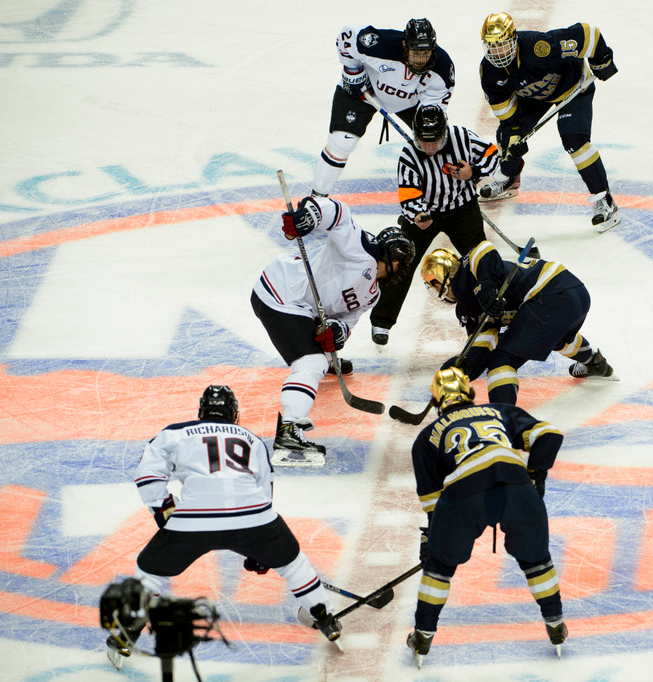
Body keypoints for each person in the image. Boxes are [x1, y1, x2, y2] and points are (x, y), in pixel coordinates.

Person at [105, 385, 342, 668]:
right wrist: (260, 550)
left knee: (149, 572)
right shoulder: (252, 439)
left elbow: (147, 478)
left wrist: (167, 514)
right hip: (255, 520)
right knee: (294, 565)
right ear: (234, 414)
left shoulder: (173, 433)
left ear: (201, 411)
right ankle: (324, 615)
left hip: (193, 521)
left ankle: (127, 633)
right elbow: (264, 494)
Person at [406, 367, 567, 668]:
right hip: (515, 483)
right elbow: (550, 435)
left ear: (437, 400)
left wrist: (433, 540)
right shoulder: (500, 411)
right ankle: (556, 624)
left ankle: (423, 635)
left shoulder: (426, 437)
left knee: (440, 567)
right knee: (536, 561)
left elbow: (432, 503)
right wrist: (536, 473)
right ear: (470, 393)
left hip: (463, 494)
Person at [251, 195, 415, 465]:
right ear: (392, 254)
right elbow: (338, 212)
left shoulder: (373, 294)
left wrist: (338, 332)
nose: (401, 269)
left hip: (302, 307)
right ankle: (289, 429)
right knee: (311, 362)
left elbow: (348, 320)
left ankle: (322, 360)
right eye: (401, 262)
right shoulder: (360, 248)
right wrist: (310, 216)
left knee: (322, 352)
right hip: (281, 294)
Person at [419, 240, 615, 405]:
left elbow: (483, 248)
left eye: (433, 284)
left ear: (440, 279)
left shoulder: (464, 275)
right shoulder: (466, 307)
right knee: (559, 338)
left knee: (501, 362)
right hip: (574, 293)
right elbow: (483, 340)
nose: (436, 292)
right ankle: (596, 363)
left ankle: (504, 423)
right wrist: (465, 367)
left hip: (548, 295)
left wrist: (486, 286)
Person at [477, 12, 622, 233]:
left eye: (503, 45)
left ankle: (605, 200)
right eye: (492, 46)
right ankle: (509, 178)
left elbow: (589, 35)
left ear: (514, 39)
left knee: (575, 142)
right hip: (535, 98)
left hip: (573, 88)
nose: (498, 52)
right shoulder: (488, 71)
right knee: (507, 140)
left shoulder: (539, 47)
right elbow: (507, 113)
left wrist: (602, 60)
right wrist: (515, 135)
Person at [368, 104, 499, 346]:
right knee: (400, 261)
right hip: (425, 214)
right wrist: (418, 214)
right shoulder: (409, 154)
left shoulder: (463, 137)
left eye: (434, 141)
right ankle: (382, 321)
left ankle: (496, 310)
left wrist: (474, 172)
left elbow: (493, 155)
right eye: (422, 140)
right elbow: (407, 193)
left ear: (444, 133)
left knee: (482, 260)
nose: (428, 147)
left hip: (462, 210)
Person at [311, 18, 455, 198]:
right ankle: (317, 199)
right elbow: (346, 36)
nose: (420, 60)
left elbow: (435, 105)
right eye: (415, 52)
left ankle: (443, 196)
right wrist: (353, 72)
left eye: (425, 53)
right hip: (364, 91)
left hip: (410, 102)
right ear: (404, 45)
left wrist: (428, 130)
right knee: (341, 143)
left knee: (435, 143)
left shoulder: (442, 68)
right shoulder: (380, 44)